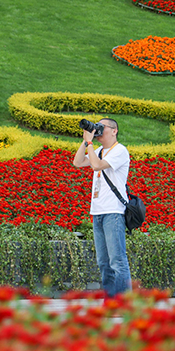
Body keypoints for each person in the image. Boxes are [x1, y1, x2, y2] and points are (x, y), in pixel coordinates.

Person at [73, 118, 132, 296]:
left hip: (113, 212)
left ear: (114, 131)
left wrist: (90, 142)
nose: (98, 130)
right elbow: (77, 162)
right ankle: (110, 300)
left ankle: (122, 302)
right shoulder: (98, 150)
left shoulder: (120, 151)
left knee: (117, 261)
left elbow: (97, 166)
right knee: (103, 262)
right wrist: (85, 142)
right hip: (97, 211)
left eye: (101, 127)